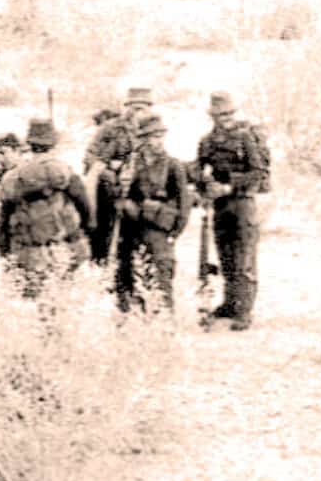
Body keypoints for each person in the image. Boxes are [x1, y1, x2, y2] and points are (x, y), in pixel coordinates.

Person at [194, 91, 270, 331]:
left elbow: (258, 172)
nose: (226, 118)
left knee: (244, 258)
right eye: (221, 115)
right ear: (213, 117)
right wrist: (205, 186)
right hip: (220, 205)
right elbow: (198, 169)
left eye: (229, 114)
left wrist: (229, 186)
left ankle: (244, 311)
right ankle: (230, 303)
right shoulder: (207, 141)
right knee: (225, 255)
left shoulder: (245, 138)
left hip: (242, 202)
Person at [0, 119, 92, 299]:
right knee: (63, 293)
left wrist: (7, 255)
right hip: (63, 244)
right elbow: (83, 203)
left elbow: (3, 218)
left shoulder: (12, 176)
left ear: (29, 145)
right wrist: (87, 230)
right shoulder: (63, 170)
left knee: (33, 296)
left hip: (29, 247)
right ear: (53, 144)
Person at [112, 115, 194, 314]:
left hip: (157, 228)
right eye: (152, 137)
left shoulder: (172, 165)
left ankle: (163, 323)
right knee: (128, 275)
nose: (156, 141)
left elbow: (183, 202)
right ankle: (131, 320)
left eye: (159, 136)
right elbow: (116, 195)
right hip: (131, 229)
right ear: (143, 139)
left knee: (160, 277)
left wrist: (175, 232)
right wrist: (121, 192)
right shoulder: (130, 164)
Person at [85, 87, 155, 265]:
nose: (138, 113)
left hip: (141, 190)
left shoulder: (154, 130)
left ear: (149, 108)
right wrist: (110, 173)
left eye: (143, 108)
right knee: (104, 233)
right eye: (135, 108)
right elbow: (90, 157)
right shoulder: (111, 128)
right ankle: (102, 265)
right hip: (112, 190)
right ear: (127, 107)